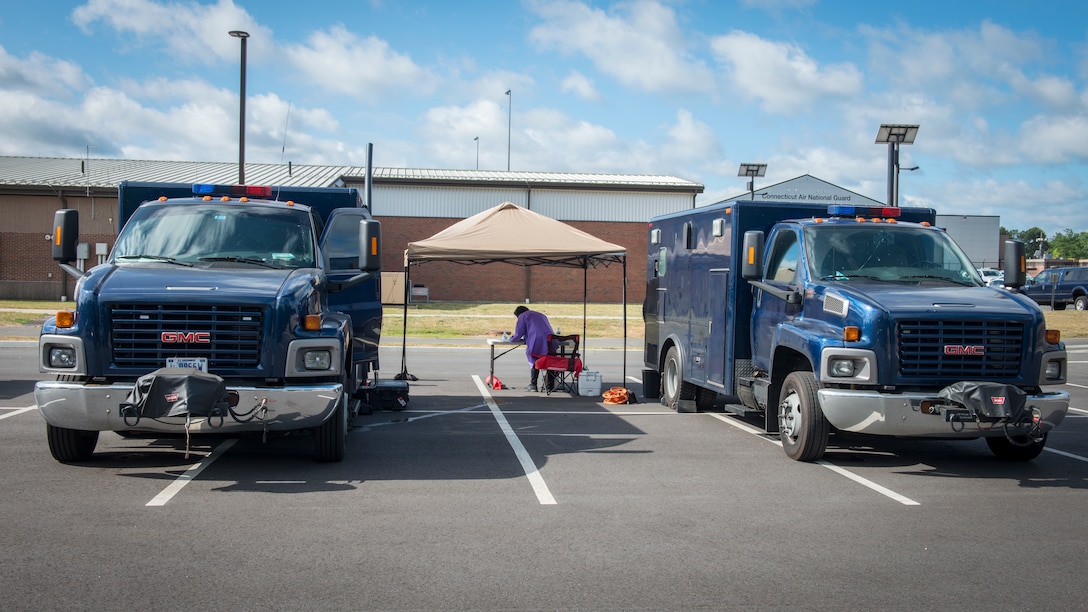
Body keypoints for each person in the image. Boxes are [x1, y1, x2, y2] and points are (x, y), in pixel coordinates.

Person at [508, 305, 555, 391]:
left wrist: (511, 339)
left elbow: (518, 334)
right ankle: (550, 386)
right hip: (551, 339)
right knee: (550, 359)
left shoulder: (523, 316)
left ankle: (533, 384)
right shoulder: (541, 315)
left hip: (537, 339)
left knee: (534, 357)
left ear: (518, 314)